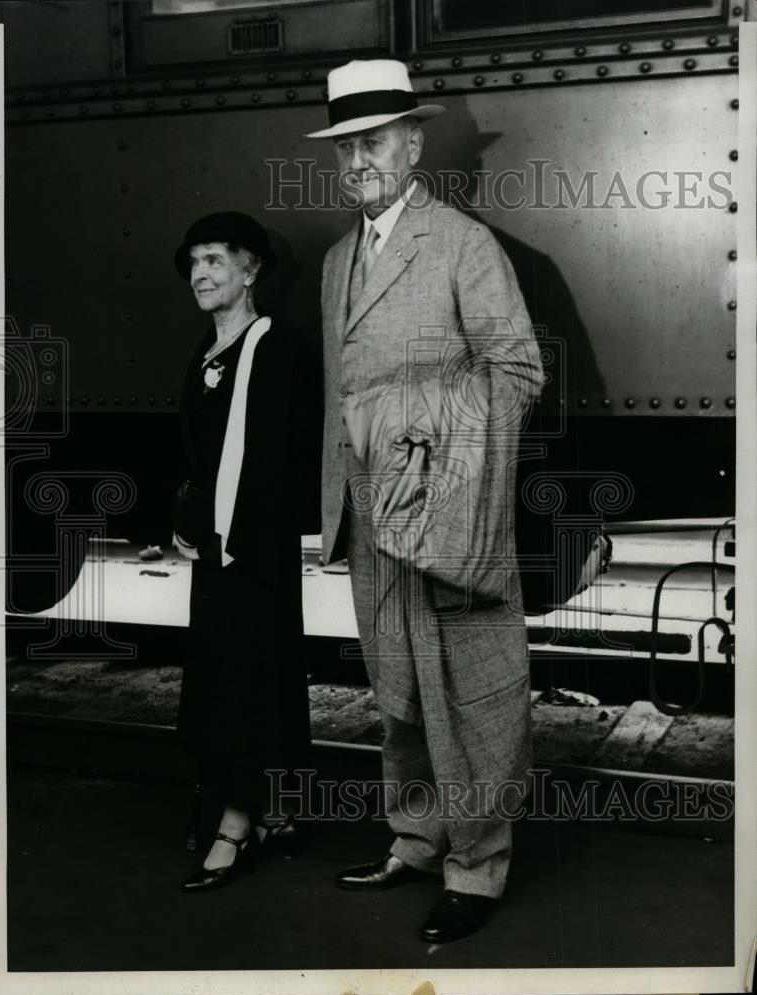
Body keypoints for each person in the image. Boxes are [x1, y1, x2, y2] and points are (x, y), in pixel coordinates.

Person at [307, 60, 544, 942]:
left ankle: (477, 869)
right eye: (347, 147)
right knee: (397, 691)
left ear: (413, 143)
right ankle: (416, 836)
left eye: (375, 141)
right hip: (373, 521)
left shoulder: (462, 245)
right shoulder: (337, 261)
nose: (360, 159)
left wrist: (413, 433)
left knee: (470, 694)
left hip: (447, 514)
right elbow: (342, 395)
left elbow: (517, 372)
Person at [172, 211, 317, 892]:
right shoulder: (211, 344)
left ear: (250, 269)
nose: (200, 274)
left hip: (252, 548)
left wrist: (225, 530)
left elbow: (272, 460)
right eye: (194, 262)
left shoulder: (274, 344)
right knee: (231, 677)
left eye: (215, 261)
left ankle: (237, 824)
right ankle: (276, 813)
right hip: (219, 544)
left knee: (245, 681)